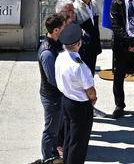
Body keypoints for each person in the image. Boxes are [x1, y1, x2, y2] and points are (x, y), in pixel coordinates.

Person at [55, 23, 97, 164]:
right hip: (80, 106)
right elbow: (90, 91)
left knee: (69, 138)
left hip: (66, 101)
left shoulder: (60, 57)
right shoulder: (80, 66)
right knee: (79, 143)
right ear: (78, 43)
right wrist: (93, 99)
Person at [38, 14, 65, 164]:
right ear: (55, 30)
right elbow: (52, 79)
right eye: (62, 28)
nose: (64, 30)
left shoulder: (57, 42)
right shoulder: (47, 52)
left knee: (56, 128)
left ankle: (53, 154)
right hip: (52, 97)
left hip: (58, 96)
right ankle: (48, 158)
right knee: (51, 130)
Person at [73, 0, 103, 75]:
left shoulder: (93, 3)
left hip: (93, 48)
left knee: (90, 75)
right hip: (82, 50)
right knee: (83, 76)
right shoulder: (74, 9)